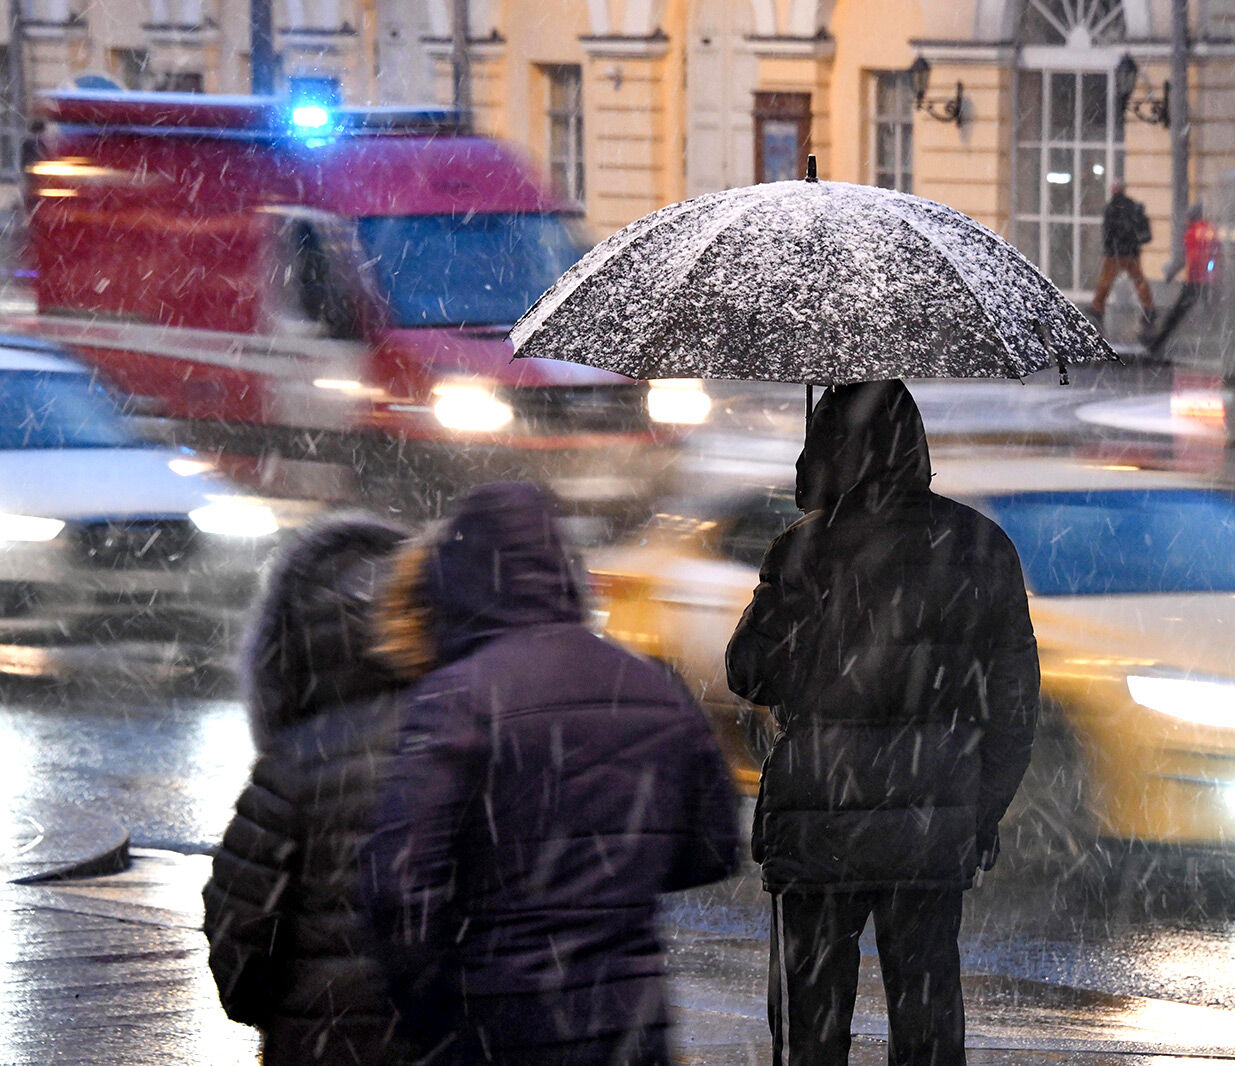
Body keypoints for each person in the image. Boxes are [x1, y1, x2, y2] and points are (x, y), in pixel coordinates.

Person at [362, 481, 742, 1066]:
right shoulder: (651, 686)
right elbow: (712, 850)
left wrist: (429, 1007)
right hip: (630, 1020)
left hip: (499, 1022)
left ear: (454, 581)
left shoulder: (456, 697)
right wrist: (608, 877)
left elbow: (400, 886)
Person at [726, 381, 1040, 1066]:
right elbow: (1014, 706)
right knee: (926, 1021)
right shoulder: (979, 545)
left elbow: (748, 673)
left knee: (810, 1027)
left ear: (830, 451)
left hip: (818, 821)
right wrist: (978, 810)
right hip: (929, 825)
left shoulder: (805, 550)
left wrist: (802, 586)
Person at [203, 514, 419, 1066]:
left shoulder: (295, 765)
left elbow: (241, 923)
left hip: (319, 1042)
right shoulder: (462, 741)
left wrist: (270, 1009)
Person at [1146, 201, 1221, 358]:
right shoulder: (1211, 231)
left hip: (1195, 281)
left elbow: (1190, 259)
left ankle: (1157, 344)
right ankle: (1225, 344)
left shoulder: (1192, 233)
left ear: (1192, 217)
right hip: (1211, 280)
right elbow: (1217, 255)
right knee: (1214, 313)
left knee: (1176, 314)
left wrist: (1173, 275)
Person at [1089, 181, 1156, 327]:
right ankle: (1149, 308)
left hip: (1114, 253)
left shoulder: (1111, 208)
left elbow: (1107, 232)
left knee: (1105, 281)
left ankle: (1097, 308)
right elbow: (1142, 231)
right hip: (1131, 252)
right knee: (1139, 281)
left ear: (1114, 191)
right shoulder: (1133, 207)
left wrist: (1109, 247)